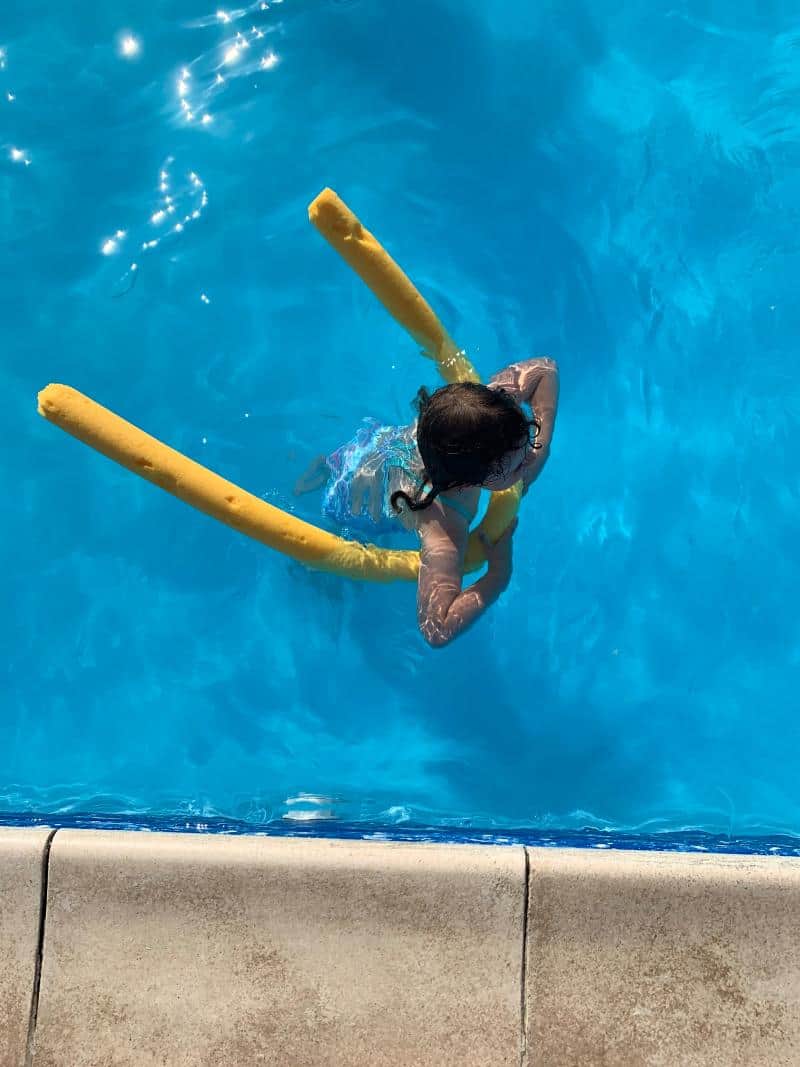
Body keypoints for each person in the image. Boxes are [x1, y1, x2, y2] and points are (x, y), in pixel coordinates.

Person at [295, 357, 559, 647]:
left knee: (366, 461)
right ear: (470, 481)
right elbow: (437, 630)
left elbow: (545, 368)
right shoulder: (445, 525)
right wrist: (498, 576)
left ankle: (325, 468)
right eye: (518, 466)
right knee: (331, 585)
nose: (530, 458)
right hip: (350, 509)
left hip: (361, 452)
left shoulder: (475, 417)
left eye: (527, 444)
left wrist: (542, 445)